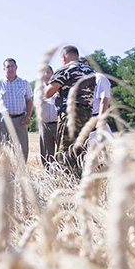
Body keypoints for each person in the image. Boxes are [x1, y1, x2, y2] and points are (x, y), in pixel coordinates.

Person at [44, 46, 95, 175]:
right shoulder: (90, 71)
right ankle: (83, 177)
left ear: (63, 57)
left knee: (66, 153)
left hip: (70, 116)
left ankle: (68, 180)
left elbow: (48, 93)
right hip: (87, 116)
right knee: (83, 150)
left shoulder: (64, 70)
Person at [0, 58, 33, 161]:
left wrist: (28, 116)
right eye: (8, 66)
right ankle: (5, 170)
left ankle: (21, 169)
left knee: (22, 149)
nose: (10, 69)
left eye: (12, 66)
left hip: (20, 120)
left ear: (16, 67)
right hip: (4, 121)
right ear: (4, 69)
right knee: (3, 149)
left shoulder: (24, 83)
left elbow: (29, 100)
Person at [39, 65, 59, 167]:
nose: (46, 75)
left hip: (58, 124)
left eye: (48, 72)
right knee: (46, 152)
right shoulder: (38, 89)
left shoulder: (59, 87)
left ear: (52, 73)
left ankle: (62, 172)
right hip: (45, 124)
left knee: (61, 150)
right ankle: (48, 173)